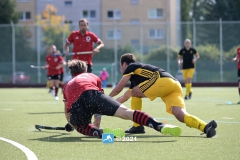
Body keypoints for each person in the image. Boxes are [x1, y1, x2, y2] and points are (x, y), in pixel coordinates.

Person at [63, 59, 182, 139]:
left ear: (71, 73)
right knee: (126, 113)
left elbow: (67, 113)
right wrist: (97, 120)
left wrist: (72, 124)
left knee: (81, 127)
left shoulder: (67, 85)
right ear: (85, 70)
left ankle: (100, 133)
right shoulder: (93, 76)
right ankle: (159, 125)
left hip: (78, 105)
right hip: (94, 94)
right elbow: (95, 105)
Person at [109, 53, 217, 138]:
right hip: (174, 85)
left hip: (160, 81)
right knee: (180, 115)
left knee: (133, 93)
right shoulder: (136, 80)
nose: (121, 69)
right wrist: (107, 106)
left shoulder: (131, 67)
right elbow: (124, 97)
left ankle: (137, 126)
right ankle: (205, 127)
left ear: (124, 64)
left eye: (120, 66)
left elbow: (119, 87)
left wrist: (105, 99)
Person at [64, 18, 104, 127]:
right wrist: (67, 51)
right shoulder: (73, 34)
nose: (83, 27)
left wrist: (97, 48)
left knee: (87, 89)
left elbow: (101, 43)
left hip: (87, 64)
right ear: (79, 26)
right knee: (74, 87)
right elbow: (66, 44)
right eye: (81, 25)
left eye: (84, 25)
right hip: (75, 65)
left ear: (87, 26)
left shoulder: (91, 35)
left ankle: (86, 115)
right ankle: (74, 115)